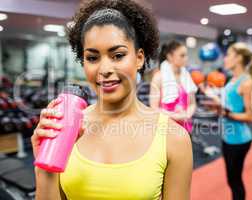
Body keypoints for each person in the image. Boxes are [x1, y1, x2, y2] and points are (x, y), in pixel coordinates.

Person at [31, 1, 192, 199]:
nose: (104, 69)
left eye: (117, 55)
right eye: (92, 58)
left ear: (139, 58)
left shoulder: (174, 138)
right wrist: (44, 167)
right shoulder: (66, 129)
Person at [205, 42, 252, 200]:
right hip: (228, 137)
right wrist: (213, 100)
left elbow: (251, 116)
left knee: (235, 181)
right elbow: (229, 104)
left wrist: (225, 112)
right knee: (231, 180)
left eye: (228, 55)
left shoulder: (247, 83)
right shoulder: (233, 79)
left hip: (239, 140)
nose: (225, 58)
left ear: (239, 58)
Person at [149, 40, 197, 133]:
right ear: (170, 56)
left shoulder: (187, 76)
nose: (186, 58)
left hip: (185, 127)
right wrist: (176, 116)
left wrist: (187, 114)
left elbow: (192, 103)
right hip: (166, 129)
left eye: (186, 55)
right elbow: (154, 108)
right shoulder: (159, 77)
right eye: (182, 55)